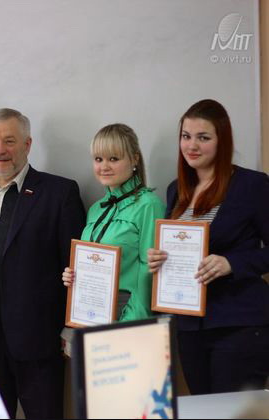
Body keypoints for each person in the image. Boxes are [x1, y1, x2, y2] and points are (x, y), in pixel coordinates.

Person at [0, 108, 86, 418]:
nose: (0, 150)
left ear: (27, 144)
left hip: (39, 340)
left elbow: (76, 267)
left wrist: (70, 328)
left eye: (9, 141)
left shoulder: (59, 193)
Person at [147, 99, 269, 394]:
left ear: (222, 141)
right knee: (202, 409)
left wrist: (232, 263)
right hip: (190, 328)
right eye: (186, 136)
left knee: (233, 413)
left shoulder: (252, 185)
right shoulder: (177, 189)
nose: (192, 146)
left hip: (238, 324)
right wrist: (160, 259)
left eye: (203, 137)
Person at [62, 123, 165, 321]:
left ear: (135, 159)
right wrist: (74, 276)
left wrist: (131, 323)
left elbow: (149, 272)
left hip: (128, 316)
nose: (104, 167)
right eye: (98, 159)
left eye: (113, 159)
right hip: (90, 314)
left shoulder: (149, 205)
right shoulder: (95, 209)